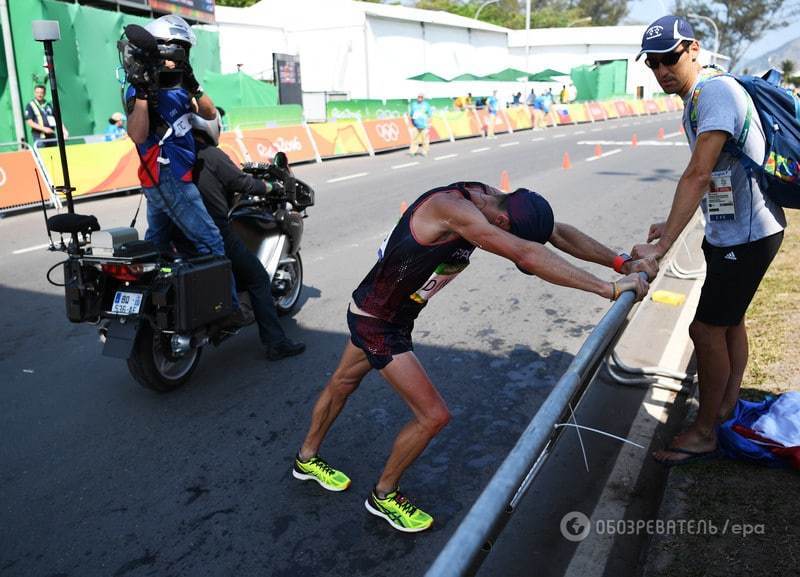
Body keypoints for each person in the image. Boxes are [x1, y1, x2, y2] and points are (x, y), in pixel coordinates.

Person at [292, 181, 657, 532]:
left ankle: (306, 460)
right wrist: (607, 289)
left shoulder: (495, 200)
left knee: (342, 382)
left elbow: (556, 233)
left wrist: (620, 263)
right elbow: (526, 252)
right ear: (501, 222)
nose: (516, 239)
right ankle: (383, 495)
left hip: (388, 312)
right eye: (512, 232)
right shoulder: (454, 211)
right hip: (378, 323)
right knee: (433, 417)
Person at [631, 16, 786, 465]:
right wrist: (670, 223)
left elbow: (699, 174)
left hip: (749, 233)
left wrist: (661, 249)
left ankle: (704, 431)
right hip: (730, 231)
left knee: (705, 328)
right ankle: (725, 406)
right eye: (653, 63)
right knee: (729, 321)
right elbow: (718, 175)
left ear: (694, 49)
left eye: (670, 58)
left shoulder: (715, 93)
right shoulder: (697, 97)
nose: (662, 70)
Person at [125, 15, 243, 317]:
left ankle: (151, 305)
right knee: (211, 240)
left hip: (170, 178)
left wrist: (192, 82)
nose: (176, 59)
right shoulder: (140, 89)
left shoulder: (178, 86)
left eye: (182, 53)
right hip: (169, 178)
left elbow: (209, 111)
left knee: (157, 244)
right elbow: (137, 134)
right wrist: (142, 91)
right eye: (175, 51)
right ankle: (226, 310)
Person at [189, 112, 306, 360]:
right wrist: (271, 186)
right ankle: (276, 343)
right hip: (215, 231)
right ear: (210, 127)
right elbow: (242, 182)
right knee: (258, 278)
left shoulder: (180, 155)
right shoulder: (212, 155)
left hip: (181, 234)